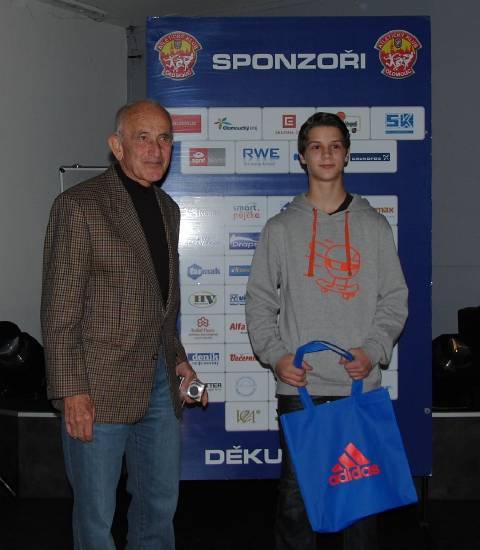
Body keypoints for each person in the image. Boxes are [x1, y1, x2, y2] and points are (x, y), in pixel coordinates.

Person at [41, 99, 207, 550]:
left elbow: (160, 305)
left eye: (164, 138)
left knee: (159, 506)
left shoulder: (168, 208)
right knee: (96, 515)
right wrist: (72, 392)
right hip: (96, 388)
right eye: (143, 137)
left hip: (159, 385)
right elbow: (59, 311)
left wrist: (179, 362)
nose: (156, 149)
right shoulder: (79, 205)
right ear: (117, 146)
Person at [245, 112, 408, 550]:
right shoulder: (281, 229)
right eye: (316, 146)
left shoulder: (374, 226)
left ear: (347, 154)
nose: (326, 154)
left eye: (335, 145)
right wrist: (277, 356)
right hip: (301, 390)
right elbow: (259, 302)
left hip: (359, 386)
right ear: (302, 157)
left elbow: (395, 298)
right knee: (296, 506)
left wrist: (373, 349)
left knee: (362, 509)